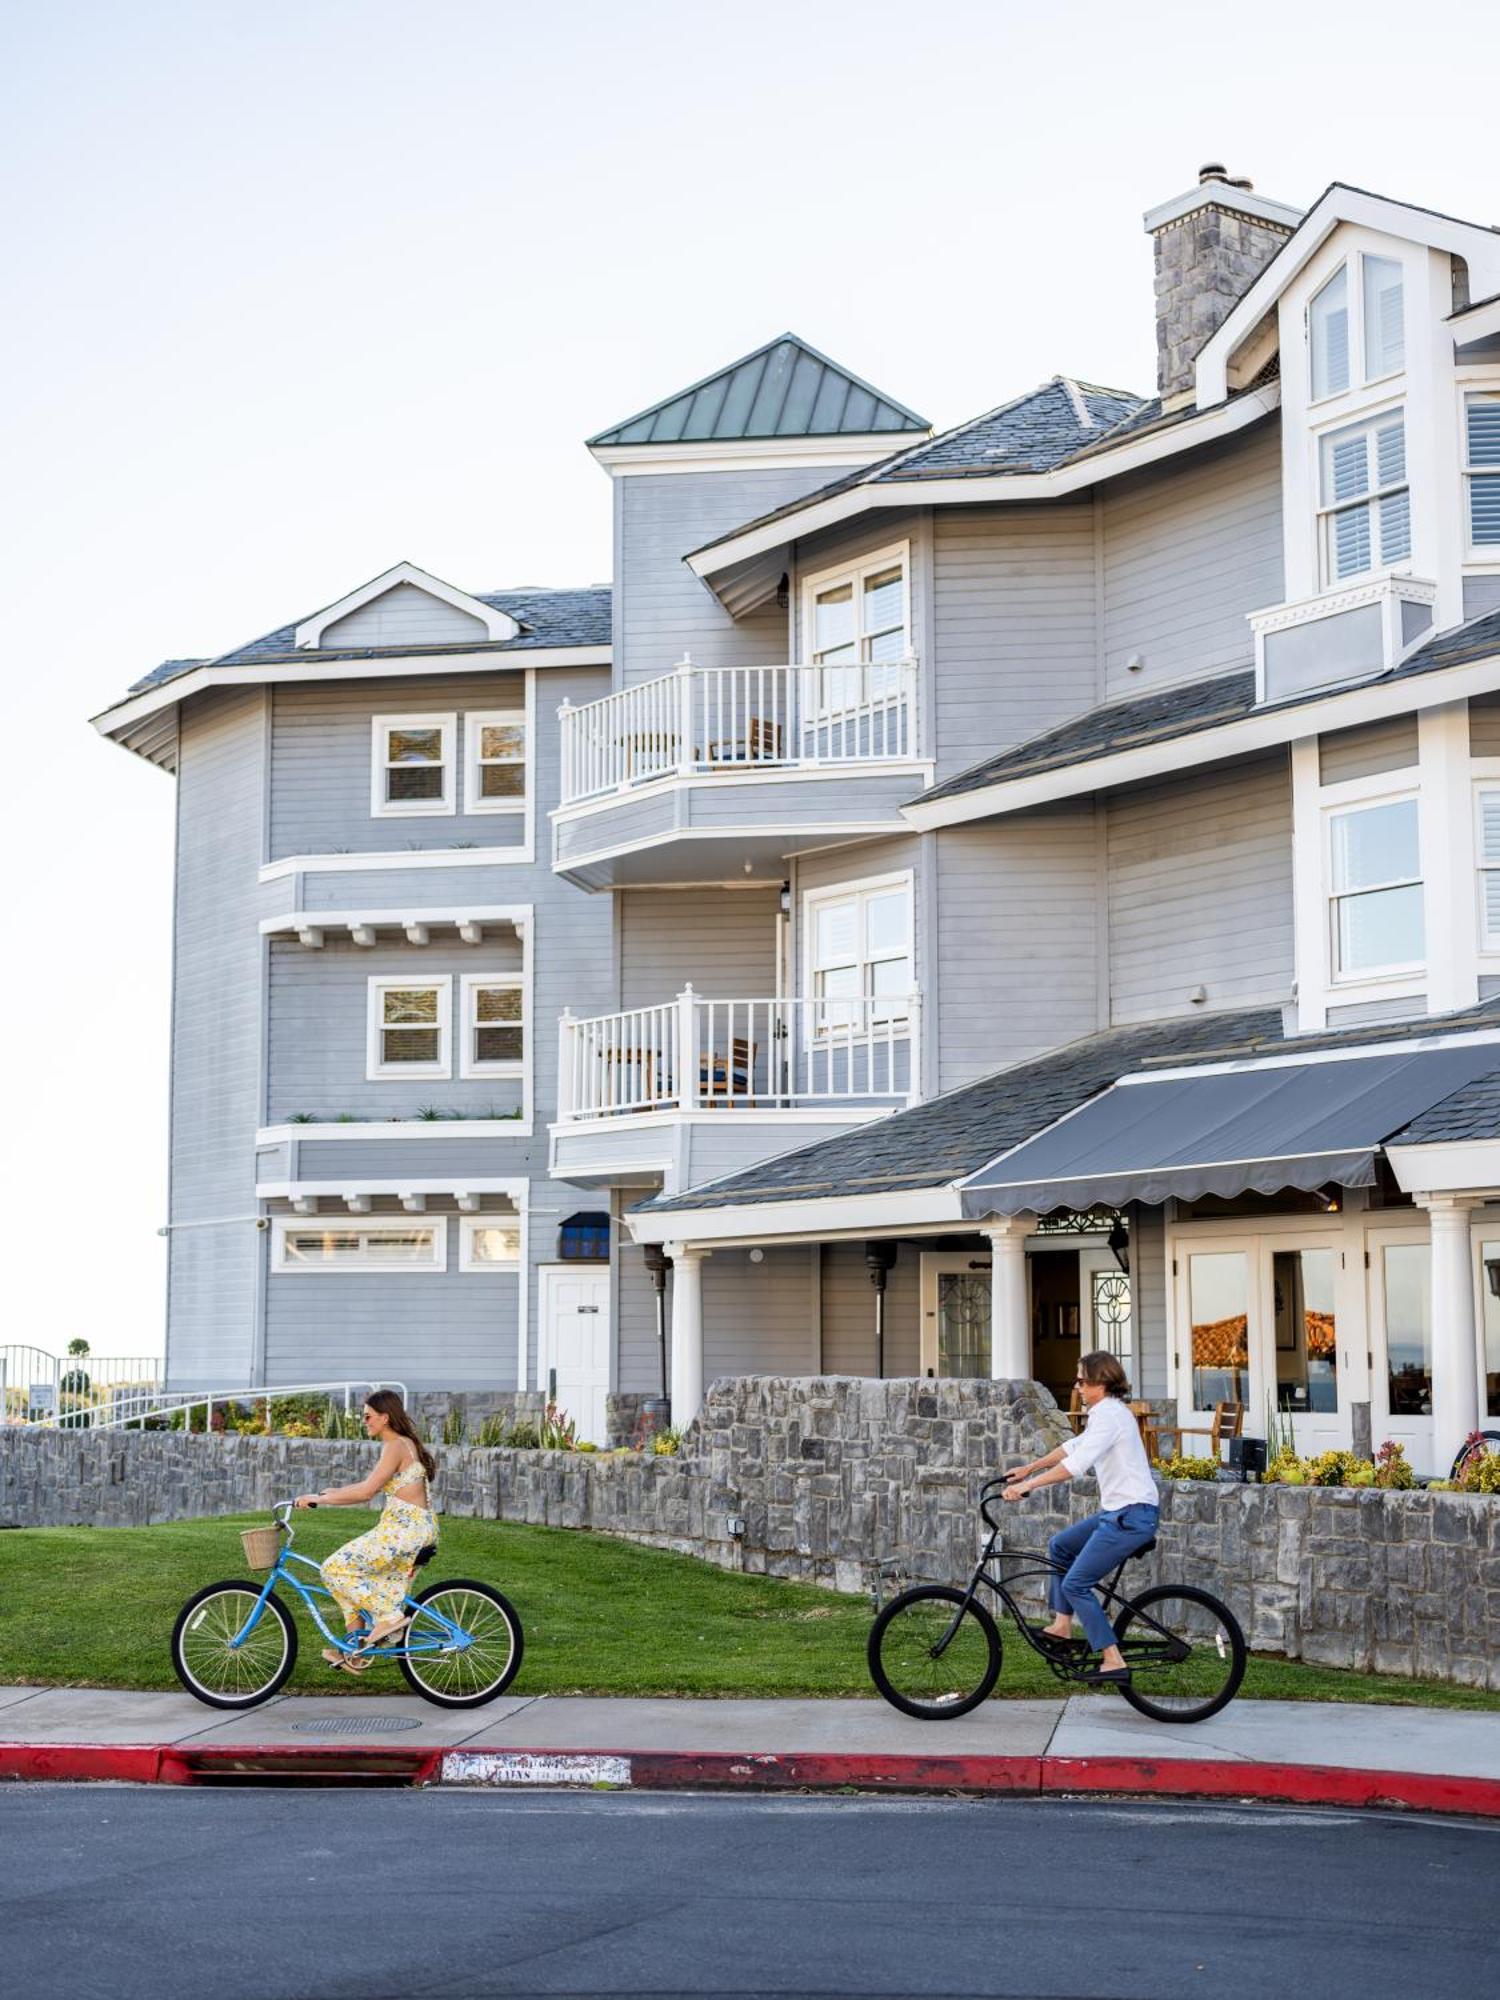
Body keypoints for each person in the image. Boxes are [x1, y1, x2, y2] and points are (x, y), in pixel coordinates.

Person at [1001, 1350, 1159, 1687]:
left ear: (1101, 1383)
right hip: (1119, 1514)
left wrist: (1029, 1486)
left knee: (1076, 1583)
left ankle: (1112, 1659)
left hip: (1131, 1518)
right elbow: (1074, 1447)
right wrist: (1029, 1467)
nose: (1077, 1386)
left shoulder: (1110, 1416)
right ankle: (1061, 1625)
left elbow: (1074, 1467)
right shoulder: (1107, 1414)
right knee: (1060, 1546)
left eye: (1082, 1380)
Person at [294, 1389, 438, 1672]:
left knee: (334, 1569)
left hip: (405, 1531)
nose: (365, 1421)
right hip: (407, 1529)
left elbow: (366, 1492)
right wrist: (330, 1493)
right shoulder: (401, 1444)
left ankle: (389, 1618)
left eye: (368, 1416)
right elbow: (367, 1486)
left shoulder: (396, 1446)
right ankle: (355, 1650)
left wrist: (320, 1499)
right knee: (344, 1579)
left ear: (384, 1417)